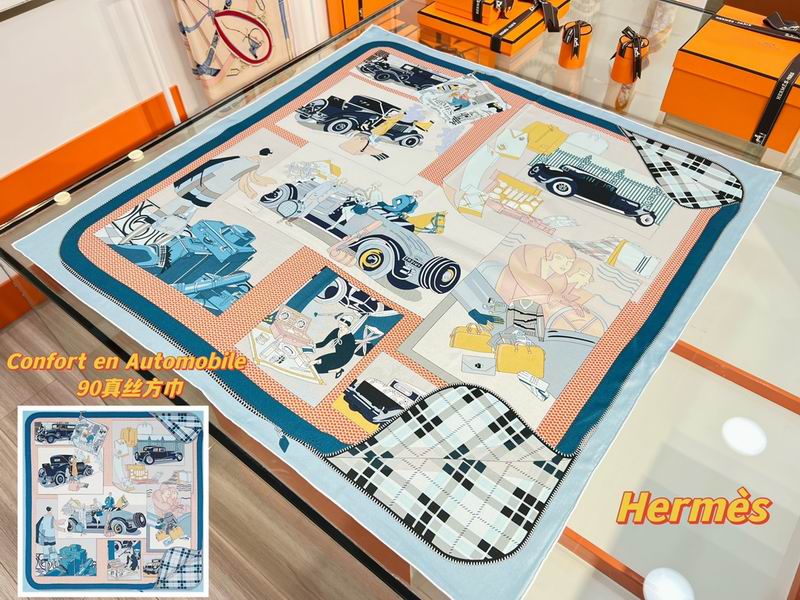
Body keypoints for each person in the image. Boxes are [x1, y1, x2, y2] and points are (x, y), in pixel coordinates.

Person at [496, 242, 576, 305]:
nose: (565, 265)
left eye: (570, 262)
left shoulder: (560, 282)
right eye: (559, 258)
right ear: (549, 255)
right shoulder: (525, 262)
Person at [313, 313, 358, 378]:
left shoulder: (350, 338)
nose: (340, 326)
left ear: (347, 326)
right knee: (314, 365)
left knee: (316, 367)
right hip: (336, 355)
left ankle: (337, 370)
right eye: (339, 323)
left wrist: (321, 361)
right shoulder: (336, 331)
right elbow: (323, 343)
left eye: (342, 325)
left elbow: (345, 355)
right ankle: (337, 370)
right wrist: (313, 346)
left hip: (343, 359)